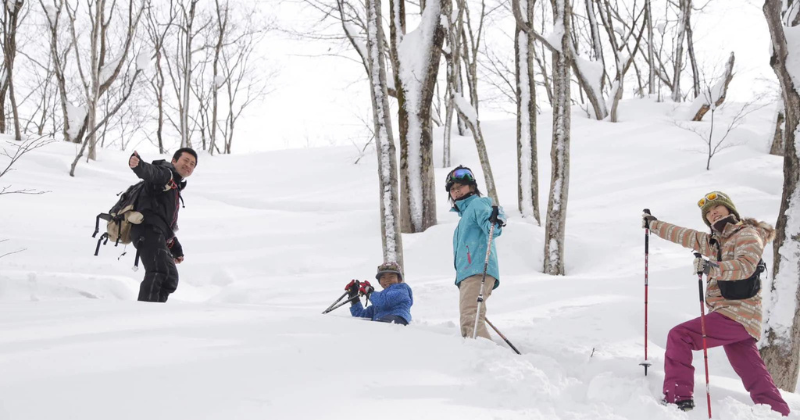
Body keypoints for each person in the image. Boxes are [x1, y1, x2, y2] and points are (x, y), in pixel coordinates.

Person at [642, 191, 789, 415]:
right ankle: (779, 412)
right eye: (708, 213)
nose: (712, 214)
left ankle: (677, 398)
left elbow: (746, 265)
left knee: (679, 336)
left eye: (716, 208)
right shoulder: (716, 242)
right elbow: (685, 235)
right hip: (740, 319)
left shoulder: (748, 234)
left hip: (737, 313)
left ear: (730, 210)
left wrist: (713, 268)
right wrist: (653, 224)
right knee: (752, 371)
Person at [127, 148, 197, 303]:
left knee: (170, 278)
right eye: (185, 160)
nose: (189, 165)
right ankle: (145, 315)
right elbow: (152, 172)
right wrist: (139, 166)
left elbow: (164, 223)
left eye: (192, 164)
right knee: (158, 271)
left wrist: (175, 248)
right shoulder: (166, 173)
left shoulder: (174, 188)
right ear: (174, 161)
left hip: (156, 232)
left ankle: (157, 311)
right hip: (147, 230)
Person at [446, 165, 505, 339]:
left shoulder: (477, 204)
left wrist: (496, 220)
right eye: (452, 189)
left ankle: (484, 357)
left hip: (477, 269)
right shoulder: (464, 216)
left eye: (460, 186)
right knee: (473, 315)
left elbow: (492, 229)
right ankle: (483, 354)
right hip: (468, 272)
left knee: (469, 319)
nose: (456, 191)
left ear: (472, 187)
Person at [347, 261, 413, 325]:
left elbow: (384, 301)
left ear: (399, 279)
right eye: (383, 277)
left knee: (377, 326)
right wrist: (354, 299)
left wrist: (370, 292)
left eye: (391, 276)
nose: (387, 280)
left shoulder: (402, 291)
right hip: (381, 324)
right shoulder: (378, 303)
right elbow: (360, 317)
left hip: (398, 321)